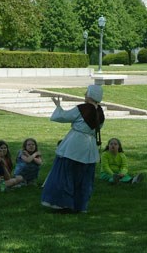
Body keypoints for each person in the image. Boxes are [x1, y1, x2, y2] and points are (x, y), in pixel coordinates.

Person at [41, 85, 105, 214]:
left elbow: (63, 117)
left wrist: (58, 107)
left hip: (75, 144)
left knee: (66, 173)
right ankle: (80, 205)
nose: (85, 94)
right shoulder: (100, 112)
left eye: (87, 92)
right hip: (90, 146)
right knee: (84, 177)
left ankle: (63, 204)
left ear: (91, 94)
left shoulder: (83, 108)